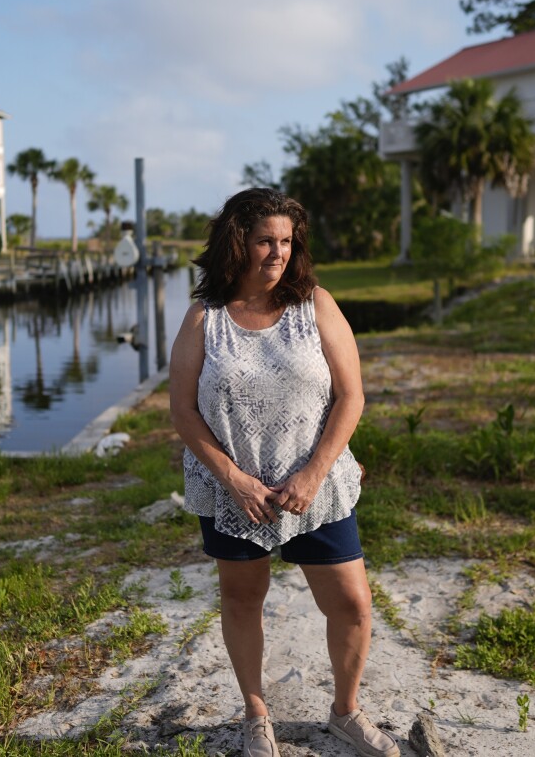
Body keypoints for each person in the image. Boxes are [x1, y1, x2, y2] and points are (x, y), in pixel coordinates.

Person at [169, 188, 397, 757]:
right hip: (236, 492)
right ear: (237, 243)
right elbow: (182, 410)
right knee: (243, 598)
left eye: (287, 242)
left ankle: (346, 712)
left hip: (314, 485)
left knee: (351, 602)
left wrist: (316, 472)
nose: (278, 253)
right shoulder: (205, 317)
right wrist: (233, 479)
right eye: (265, 241)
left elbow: (351, 396)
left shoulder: (315, 304)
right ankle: (256, 714)